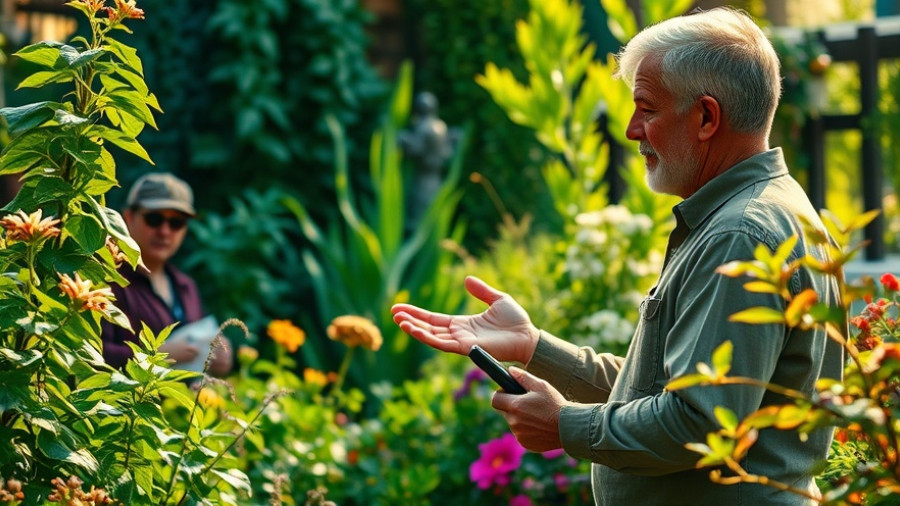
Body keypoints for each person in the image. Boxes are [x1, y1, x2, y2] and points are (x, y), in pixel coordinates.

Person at [391, 8, 842, 506]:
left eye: (646, 109)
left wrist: (564, 424)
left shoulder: (739, 233)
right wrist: (534, 346)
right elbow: (667, 392)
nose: (631, 130)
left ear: (706, 118)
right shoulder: (761, 211)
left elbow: (700, 422)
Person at [101, 173, 232, 377]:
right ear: (128, 218)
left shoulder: (185, 286)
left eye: (176, 223)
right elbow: (91, 355)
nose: (164, 231)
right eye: (154, 219)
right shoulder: (107, 279)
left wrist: (219, 356)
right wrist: (155, 356)